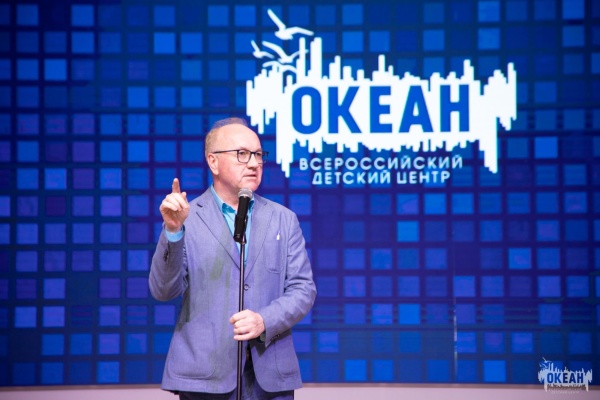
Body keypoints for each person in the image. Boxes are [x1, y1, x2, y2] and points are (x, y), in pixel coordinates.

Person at [149, 117, 317, 400]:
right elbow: (163, 290)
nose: (254, 163)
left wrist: (264, 320)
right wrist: (173, 231)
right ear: (213, 162)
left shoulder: (283, 219)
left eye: (258, 155)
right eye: (242, 154)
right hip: (204, 375)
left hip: (269, 377)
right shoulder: (186, 217)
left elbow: (303, 289)